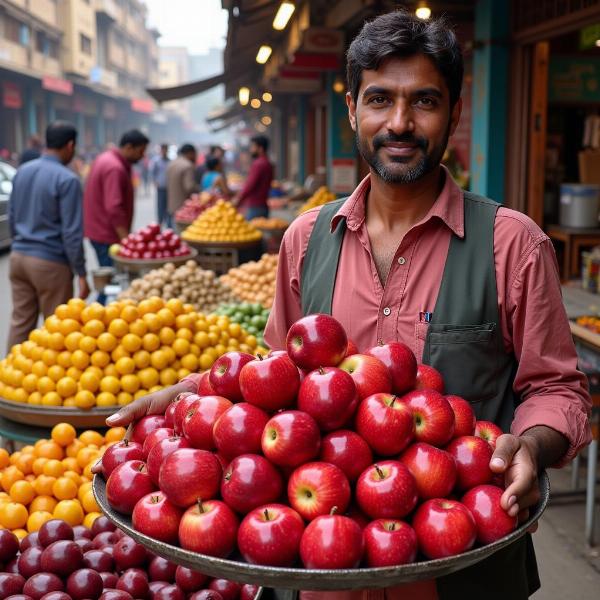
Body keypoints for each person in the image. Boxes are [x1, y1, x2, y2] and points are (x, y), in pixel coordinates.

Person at [94, 10, 592, 600]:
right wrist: (188, 396)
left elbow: (557, 389)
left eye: (425, 101)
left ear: (454, 114)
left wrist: (531, 446)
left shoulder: (512, 245)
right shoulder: (305, 241)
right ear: (353, 110)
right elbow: (273, 378)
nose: (400, 123)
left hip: (463, 568)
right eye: (380, 99)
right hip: (317, 571)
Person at [7, 121, 89, 350]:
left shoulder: (23, 170)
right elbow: (72, 233)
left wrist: (21, 245)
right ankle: (49, 385)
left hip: (19, 258)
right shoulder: (67, 179)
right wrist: (81, 273)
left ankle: (8, 378)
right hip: (50, 263)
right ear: (70, 145)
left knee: (20, 323)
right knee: (57, 328)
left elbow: (13, 217)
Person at [84, 129, 149, 302]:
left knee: (108, 280)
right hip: (107, 234)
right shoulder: (115, 168)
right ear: (129, 147)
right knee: (111, 283)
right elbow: (114, 207)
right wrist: (126, 240)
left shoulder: (106, 159)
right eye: (140, 151)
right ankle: (101, 319)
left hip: (99, 230)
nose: (142, 156)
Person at [234, 135, 273, 219]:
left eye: (253, 147)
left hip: (255, 207)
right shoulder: (267, 163)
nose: (250, 149)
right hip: (263, 205)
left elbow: (250, 185)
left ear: (260, 148)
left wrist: (238, 200)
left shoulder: (258, 164)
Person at [166, 143, 198, 224]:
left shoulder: (172, 164)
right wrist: (200, 190)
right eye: (195, 154)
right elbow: (189, 187)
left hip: (171, 204)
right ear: (190, 153)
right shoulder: (188, 165)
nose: (195, 157)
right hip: (183, 206)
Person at [151, 144, 170, 226]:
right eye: (163, 149)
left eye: (166, 149)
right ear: (161, 150)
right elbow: (152, 172)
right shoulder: (156, 161)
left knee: (167, 205)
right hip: (160, 186)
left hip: (168, 187)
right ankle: (160, 222)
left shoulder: (170, 161)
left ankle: (167, 222)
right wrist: (155, 181)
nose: (165, 151)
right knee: (160, 205)